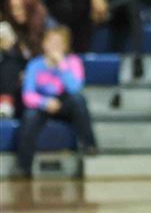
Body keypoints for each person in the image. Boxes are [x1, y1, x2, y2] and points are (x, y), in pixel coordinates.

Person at [14, 26, 96, 177]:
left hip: (65, 102)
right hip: (42, 102)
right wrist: (45, 103)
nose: (54, 47)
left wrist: (62, 65)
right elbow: (28, 95)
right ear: (44, 44)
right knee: (30, 116)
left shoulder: (73, 62)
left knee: (79, 100)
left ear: (65, 46)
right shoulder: (35, 65)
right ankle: (23, 166)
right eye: (51, 42)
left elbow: (75, 88)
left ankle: (89, 145)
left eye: (59, 43)